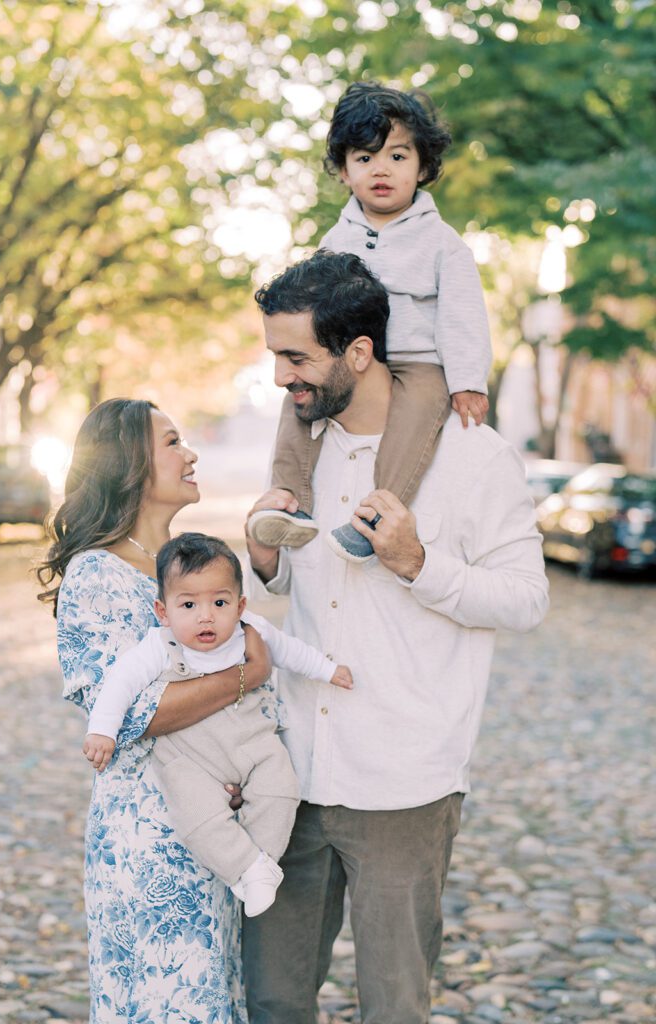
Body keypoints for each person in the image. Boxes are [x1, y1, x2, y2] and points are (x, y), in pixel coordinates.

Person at [242, 250, 549, 1024]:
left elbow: (526, 600)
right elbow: (295, 598)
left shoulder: (473, 456)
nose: (282, 377)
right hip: (291, 777)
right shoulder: (301, 448)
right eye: (275, 356)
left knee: (394, 1007)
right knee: (272, 1000)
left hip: (404, 784)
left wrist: (418, 562)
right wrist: (265, 560)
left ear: (358, 352)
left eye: (295, 357)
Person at [37, 398, 273, 1024]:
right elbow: (137, 711)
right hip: (148, 836)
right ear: (132, 465)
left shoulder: (183, 569)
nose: (190, 453)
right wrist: (246, 673)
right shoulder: (98, 575)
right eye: (173, 443)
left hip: (212, 830)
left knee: (207, 999)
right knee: (163, 1003)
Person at [248, 81, 492, 563]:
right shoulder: (335, 240)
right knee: (299, 401)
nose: (381, 169)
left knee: (414, 423)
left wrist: (467, 381)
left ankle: (377, 517)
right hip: (353, 363)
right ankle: (288, 503)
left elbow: (463, 316)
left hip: (420, 363)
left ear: (423, 168)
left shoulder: (444, 244)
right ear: (344, 171)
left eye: (398, 157)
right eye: (364, 158)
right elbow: (313, 310)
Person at [83, 532, 353, 918]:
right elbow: (120, 683)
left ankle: (261, 864)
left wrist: (327, 670)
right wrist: (102, 731)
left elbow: (292, 652)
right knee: (197, 817)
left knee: (281, 790)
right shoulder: (159, 646)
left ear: (240, 605)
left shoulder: (250, 632)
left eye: (220, 602)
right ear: (163, 612)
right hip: (190, 759)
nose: (205, 615)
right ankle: (243, 866)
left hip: (252, 743)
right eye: (189, 604)